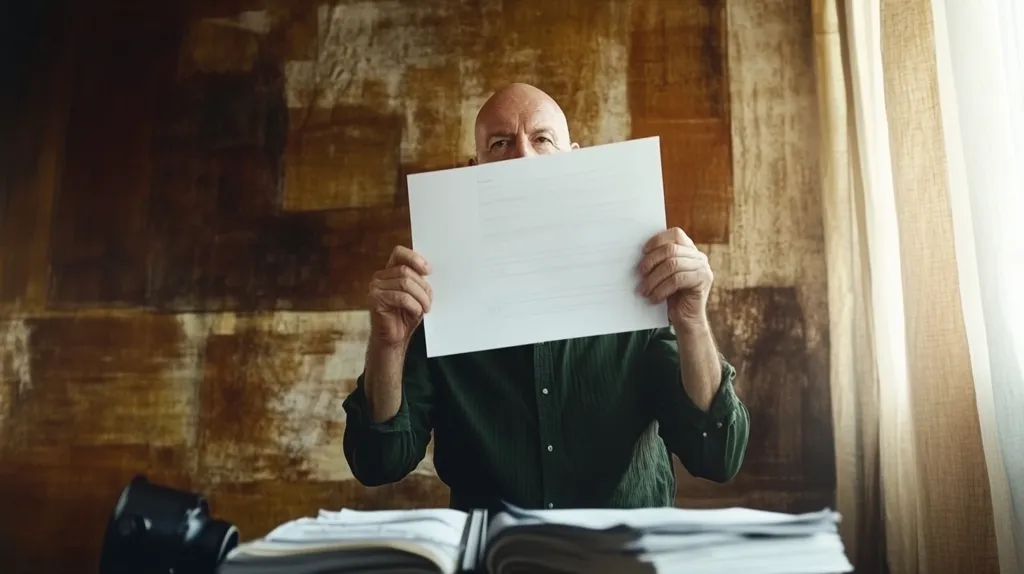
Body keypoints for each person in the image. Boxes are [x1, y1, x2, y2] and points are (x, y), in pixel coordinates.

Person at [342, 83, 750, 513]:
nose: (523, 156)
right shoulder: (439, 299)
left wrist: (692, 322)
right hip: (497, 548)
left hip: (621, 549)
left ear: (574, 159)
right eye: (500, 143)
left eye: (542, 139)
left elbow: (717, 455)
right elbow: (378, 462)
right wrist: (388, 345)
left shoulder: (639, 284)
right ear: (473, 170)